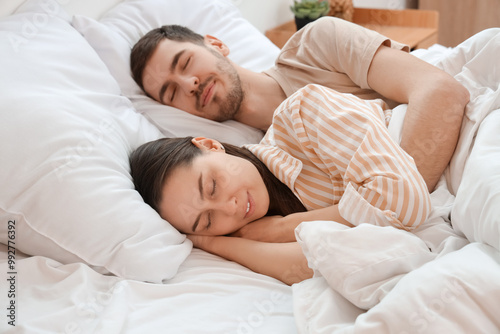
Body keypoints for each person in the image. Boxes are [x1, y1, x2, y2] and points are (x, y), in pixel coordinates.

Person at [129, 84, 431, 285]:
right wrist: (214, 243)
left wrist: (282, 228)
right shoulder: (245, 232)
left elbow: (406, 201)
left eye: (212, 186)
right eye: (207, 220)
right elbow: (319, 265)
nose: (228, 208)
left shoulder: (302, 115)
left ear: (211, 145)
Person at [130, 17, 470, 193]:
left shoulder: (316, 44)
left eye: (186, 63)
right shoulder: (266, 161)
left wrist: (399, 197)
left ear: (216, 45)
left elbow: (441, 91)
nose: (189, 85)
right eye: (171, 93)